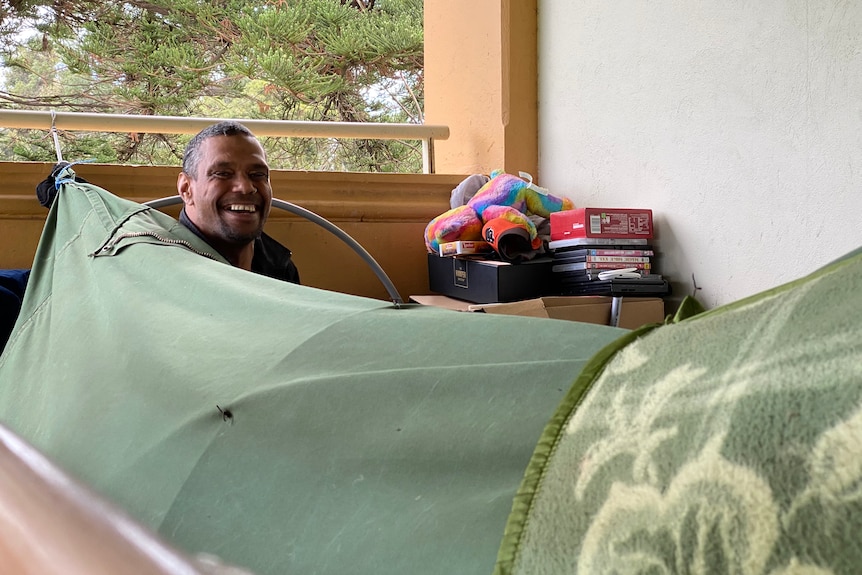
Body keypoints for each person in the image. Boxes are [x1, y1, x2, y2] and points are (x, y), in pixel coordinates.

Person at [176, 121, 300, 284]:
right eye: (222, 173)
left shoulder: (279, 269)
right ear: (186, 189)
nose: (246, 187)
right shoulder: (161, 270)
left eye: (257, 174)